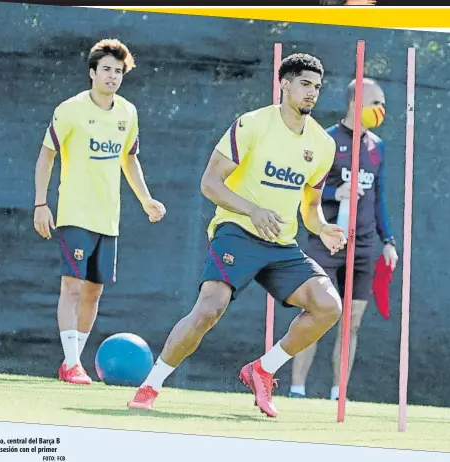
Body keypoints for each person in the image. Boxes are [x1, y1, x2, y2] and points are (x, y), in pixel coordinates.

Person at [127, 52, 346, 418]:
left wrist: (322, 228)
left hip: (280, 243)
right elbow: (210, 183)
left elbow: (309, 208)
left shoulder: (322, 145)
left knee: (329, 307)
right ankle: (151, 385)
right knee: (208, 309)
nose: (312, 93)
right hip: (237, 231)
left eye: (317, 87)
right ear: (284, 84)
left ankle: (262, 369)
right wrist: (252, 210)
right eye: (305, 84)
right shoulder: (252, 125)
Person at [33, 38, 166, 386]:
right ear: (92, 72)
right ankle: (73, 363)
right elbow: (47, 156)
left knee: (94, 290)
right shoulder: (70, 109)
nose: (112, 76)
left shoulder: (128, 112)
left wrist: (146, 200)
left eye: (118, 71)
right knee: (72, 288)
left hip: (109, 218)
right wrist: (40, 204)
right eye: (106, 69)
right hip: (75, 213)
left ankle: (72, 363)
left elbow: (129, 159)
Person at [289, 77, 399, 401]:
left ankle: (339, 394)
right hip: (326, 240)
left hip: (363, 246)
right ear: (355, 103)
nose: (381, 110)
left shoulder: (377, 147)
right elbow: (303, 192)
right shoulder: (325, 141)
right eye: (376, 103)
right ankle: (296, 390)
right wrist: (334, 194)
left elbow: (378, 198)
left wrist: (388, 240)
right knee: (314, 314)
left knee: (351, 323)